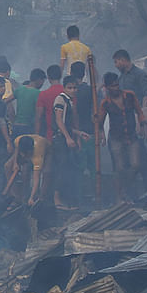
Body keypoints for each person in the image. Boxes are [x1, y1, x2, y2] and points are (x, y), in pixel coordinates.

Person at [96, 72, 145, 203]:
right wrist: (102, 136)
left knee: (135, 165)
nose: (116, 88)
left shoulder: (130, 95)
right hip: (116, 138)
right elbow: (100, 123)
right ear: (106, 87)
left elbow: (139, 111)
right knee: (119, 168)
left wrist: (143, 125)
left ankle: (126, 189)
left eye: (117, 84)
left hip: (132, 136)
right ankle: (119, 196)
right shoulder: (105, 103)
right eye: (113, 86)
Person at [51, 75, 88, 209]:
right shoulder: (60, 99)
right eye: (69, 88)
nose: (73, 90)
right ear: (64, 88)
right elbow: (59, 120)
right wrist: (67, 137)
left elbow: (67, 124)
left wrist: (78, 134)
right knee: (61, 168)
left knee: (68, 169)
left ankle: (66, 200)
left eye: (74, 88)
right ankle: (56, 199)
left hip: (65, 137)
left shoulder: (70, 101)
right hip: (60, 139)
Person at [5, 133, 48, 207]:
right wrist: (15, 163)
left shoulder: (38, 153)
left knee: (47, 171)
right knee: (7, 166)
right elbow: (17, 150)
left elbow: (36, 178)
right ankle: (16, 197)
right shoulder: (17, 140)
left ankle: (36, 198)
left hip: (47, 151)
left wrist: (31, 197)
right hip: (26, 149)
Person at [12, 68, 45, 138]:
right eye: (43, 81)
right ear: (39, 80)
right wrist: (37, 135)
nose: (42, 84)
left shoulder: (20, 89)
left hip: (16, 126)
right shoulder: (39, 94)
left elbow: (5, 101)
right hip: (28, 127)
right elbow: (38, 116)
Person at [34, 64, 64, 137]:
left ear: (48, 77)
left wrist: (36, 136)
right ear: (60, 76)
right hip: (69, 134)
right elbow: (75, 114)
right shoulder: (67, 92)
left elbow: (39, 117)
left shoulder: (43, 94)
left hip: (51, 135)